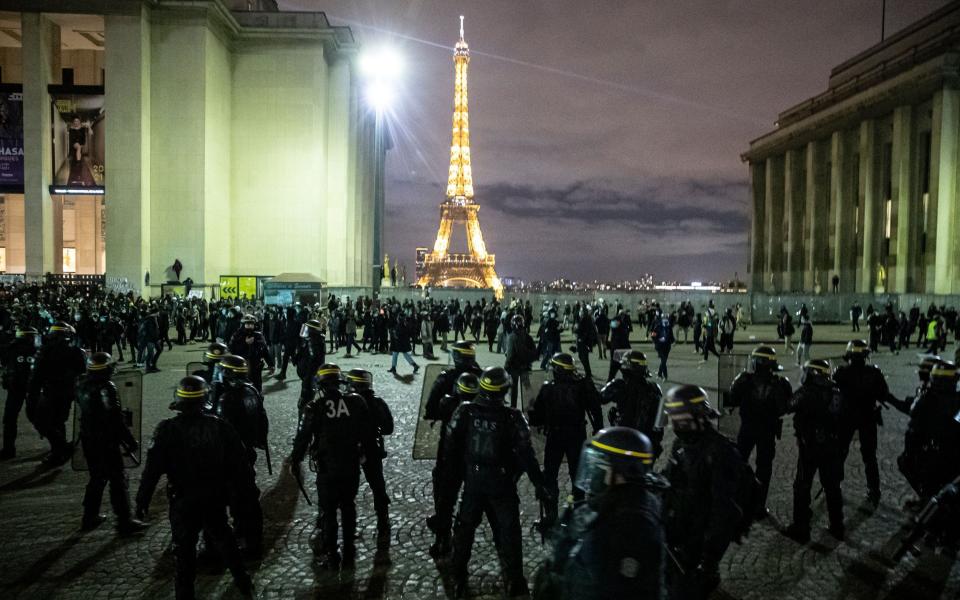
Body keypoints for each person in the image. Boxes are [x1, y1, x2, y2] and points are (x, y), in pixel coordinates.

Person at [135, 376, 254, 600]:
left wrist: (142, 500)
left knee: (184, 554)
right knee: (226, 542)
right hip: (214, 497)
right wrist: (243, 495)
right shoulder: (220, 426)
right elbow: (241, 465)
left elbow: (152, 470)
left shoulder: (166, 430)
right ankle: (245, 584)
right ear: (204, 399)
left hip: (183, 500)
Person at [440, 366, 548, 598]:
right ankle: (515, 581)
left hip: (474, 480)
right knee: (509, 532)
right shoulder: (512, 417)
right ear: (505, 389)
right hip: (500, 482)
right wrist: (539, 483)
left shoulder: (465, 411)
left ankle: (458, 575)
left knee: (464, 530)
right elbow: (527, 454)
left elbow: (450, 445)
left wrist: (454, 476)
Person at [533, 427, 666, 600]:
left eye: (600, 467)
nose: (594, 474)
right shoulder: (612, 501)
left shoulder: (633, 526)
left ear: (621, 473)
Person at [661, 385, 746, 600]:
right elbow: (670, 478)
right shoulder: (683, 442)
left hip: (699, 539)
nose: (673, 425)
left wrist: (708, 560)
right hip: (680, 528)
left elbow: (724, 512)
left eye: (677, 419)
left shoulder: (720, 452)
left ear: (694, 418)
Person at [291, 364, 372, 570]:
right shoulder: (356, 402)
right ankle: (349, 546)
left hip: (328, 467)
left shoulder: (314, 407)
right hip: (351, 464)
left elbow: (303, 437)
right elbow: (366, 433)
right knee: (348, 505)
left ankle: (331, 553)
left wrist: (295, 460)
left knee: (328, 511)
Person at [76, 352, 148, 535]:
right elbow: (115, 418)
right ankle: (124, 521)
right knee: (118, 479)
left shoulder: (82, 385)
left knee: (97, 477)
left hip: (88, 438)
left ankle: (89, 516)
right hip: (105, 440)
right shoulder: (106, 388)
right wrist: (129, 441)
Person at [528, 353, 603, 529]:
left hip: (556, 436)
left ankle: (551, 514)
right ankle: (578, 513)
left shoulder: (548, 388)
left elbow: (537, 417)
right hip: (577, 434)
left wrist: (532, 415)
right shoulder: (582, 385)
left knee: (550, 475)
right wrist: (598, 428)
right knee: (577, 474)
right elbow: (596, 408)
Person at [205, 353, 267, 557]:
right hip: (247, 451)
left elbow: (219, 430)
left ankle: (250, 544)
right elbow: (263, 422)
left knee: (239, 499)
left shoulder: (227, 398)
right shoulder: (252, 390)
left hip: (231, 458)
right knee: (247, 496)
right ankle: (248, 535)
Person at [783, 359, 845, 542]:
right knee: (832, 486)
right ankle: (837, 526)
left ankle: (801, 528)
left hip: (810, 447)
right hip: (832, 446)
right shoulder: (837, 392)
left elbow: (788, 405)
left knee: (802, 485)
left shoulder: (806, 392)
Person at [727, 346, 792, 519]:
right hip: (768, 430)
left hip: (747, 428)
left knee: (739, 463)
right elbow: (785, 409)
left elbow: (731, 399)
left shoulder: (744, 379)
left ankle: (736, 500)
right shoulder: (780, 383)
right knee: (764, 468)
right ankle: (758, 505)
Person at [426, 371, 479, 557]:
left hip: (452, 460)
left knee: (446, 499)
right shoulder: (481, 407)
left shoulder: (448, 403)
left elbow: (435, 409)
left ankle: (443, 539)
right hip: (475, 462)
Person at [833, 339, 888, 506]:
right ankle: (874, 490)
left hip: (846, 418)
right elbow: (883, 393)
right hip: (867, 417)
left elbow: (833, 394)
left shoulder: (841, 372)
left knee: (840, 453)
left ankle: (834, 485)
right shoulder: (874, 373)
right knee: (870, 456)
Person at [898, 360, 960, 504]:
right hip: (955, 456)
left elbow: (912, 433)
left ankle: (925, 495)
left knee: (904, 461)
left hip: (932, 457)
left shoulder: (926, 400)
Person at [28, 322, 87, 466]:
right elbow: (82, 372)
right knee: (58, 421)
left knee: (42, 422)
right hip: (67, 392)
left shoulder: (45, 351)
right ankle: (60, 451)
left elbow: (37, 375)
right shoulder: (76, 351)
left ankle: (60, 450)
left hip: (51, 392)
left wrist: (32, 394)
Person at [345, 368, 394, 540]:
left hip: (350, 450)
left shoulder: (345, 403)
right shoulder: (377, 402)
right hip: (372, 448)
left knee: (346, 489)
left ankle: (343, 525)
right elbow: (388, 428)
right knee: (378, 486)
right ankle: (383, 520)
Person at [600, 350, 665, 459]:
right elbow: (661, 421)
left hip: (624, 441)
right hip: (648, 444)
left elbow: (601, 397)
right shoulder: (655, 388)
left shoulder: (619, 385)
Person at [1, 326, 37, 459]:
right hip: (30, 388)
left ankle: (8, 449)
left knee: (10, 419)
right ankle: (58, 446)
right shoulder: (36, 350)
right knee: (40, 418)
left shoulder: (11, 349)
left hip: (16, 388)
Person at [228, 314, 273, 393]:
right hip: (241, 368)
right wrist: (245, 343)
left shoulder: (259, 336)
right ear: (243, 324)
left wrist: (270, 364)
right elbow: (232, 349)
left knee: (257, 390)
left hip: (256, 367)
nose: (249, 326)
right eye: (247, 324)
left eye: (251, 324)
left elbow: (265, 350)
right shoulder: (237, 335)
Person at [504, 315, 536, 409]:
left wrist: (506, 367)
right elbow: (534, 352)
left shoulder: (512, 337)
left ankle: (513, 408)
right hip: (525, 367)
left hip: (514, 367)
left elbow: (509, 355)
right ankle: (530, 406)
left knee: (514, 389)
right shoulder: (528, 337)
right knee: (527, 388)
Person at [294, 319, 326, 410]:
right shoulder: (313, 341)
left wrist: (306, 383)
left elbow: (313, 363)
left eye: (307, 329)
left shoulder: (314, 342)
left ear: (312, 331)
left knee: (306, 402)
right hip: (309, 376)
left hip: (309, 378)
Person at [573, 307, 597, 379]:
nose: (579, 312)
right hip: (586, 342)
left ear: (583, 312)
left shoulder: (584, 319)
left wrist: (576, 329)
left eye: (580, 311)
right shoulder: (588, 318)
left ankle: (588, 374)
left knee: (583, 357)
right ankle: (588, 372)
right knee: (585, 357)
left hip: (583, 342)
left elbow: (581, 330)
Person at [650, 312, 674, 380]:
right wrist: (658, 340)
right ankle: (665, 376)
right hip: (659, 346)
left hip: (667, 346)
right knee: (663, 361)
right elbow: (653, 336)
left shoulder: (669, 327)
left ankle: (659, 374)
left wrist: (671, 341)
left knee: (664, 361)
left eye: (666, 319)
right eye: (664, 319)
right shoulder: (658, 326)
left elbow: (671, 337)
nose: (665, 320)